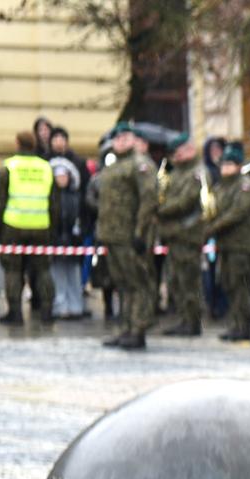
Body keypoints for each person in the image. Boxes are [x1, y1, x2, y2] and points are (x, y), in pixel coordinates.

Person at [94, 123, 158, 349]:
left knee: (137, 283)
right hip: (112, 234)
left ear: (133, 139)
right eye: (117, 138)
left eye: (125, 137)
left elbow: (149, 199)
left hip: (131, 235)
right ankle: (125, 328)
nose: (120, 141)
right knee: (122, 284)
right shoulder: (112, 165)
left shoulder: (140, 165)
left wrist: (140, 233)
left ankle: (138, 330)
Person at [0, 130, 60, 325]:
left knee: (13, 270)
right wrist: (52, 230)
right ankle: (47, 311)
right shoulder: (46, 167)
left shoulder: (8, 167)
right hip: (41, 226)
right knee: (43, 270)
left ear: (17, 143)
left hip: (13, 225)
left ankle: (15, 313)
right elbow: (55, 204)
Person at [206, 144, 250, 342]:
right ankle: (235, 324)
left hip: (242, 246)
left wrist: (211, 228)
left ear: (238, 166)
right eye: (223, 164)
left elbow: (236, 213)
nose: (225, 168)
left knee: (240, 286)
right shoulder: (221, 186)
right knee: (229, 285)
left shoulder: (244, 185)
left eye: (229, 164)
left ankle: (244, 326)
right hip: (227, 245)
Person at [154, 135, 205, 336]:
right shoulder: (176, 173)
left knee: (188, 281)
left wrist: (160, 209)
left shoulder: (195, 173)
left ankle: (192, 322)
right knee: (176, 280)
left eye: (180, 151)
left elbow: (185, 201)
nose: (176, 156)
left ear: (190, 149)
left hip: (188, 234)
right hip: (175, 234)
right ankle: (184, 319)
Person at [48, 157, 88, 319]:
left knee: (74, 274)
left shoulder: (76, 196)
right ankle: (60, 306)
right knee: (58, 275)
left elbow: (83, 217)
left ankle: (76, 306)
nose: (61, 179)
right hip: (56, 240)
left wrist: (79, 233)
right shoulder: (50, 197)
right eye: (58, 176)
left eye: (64, 176)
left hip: (74, 241)